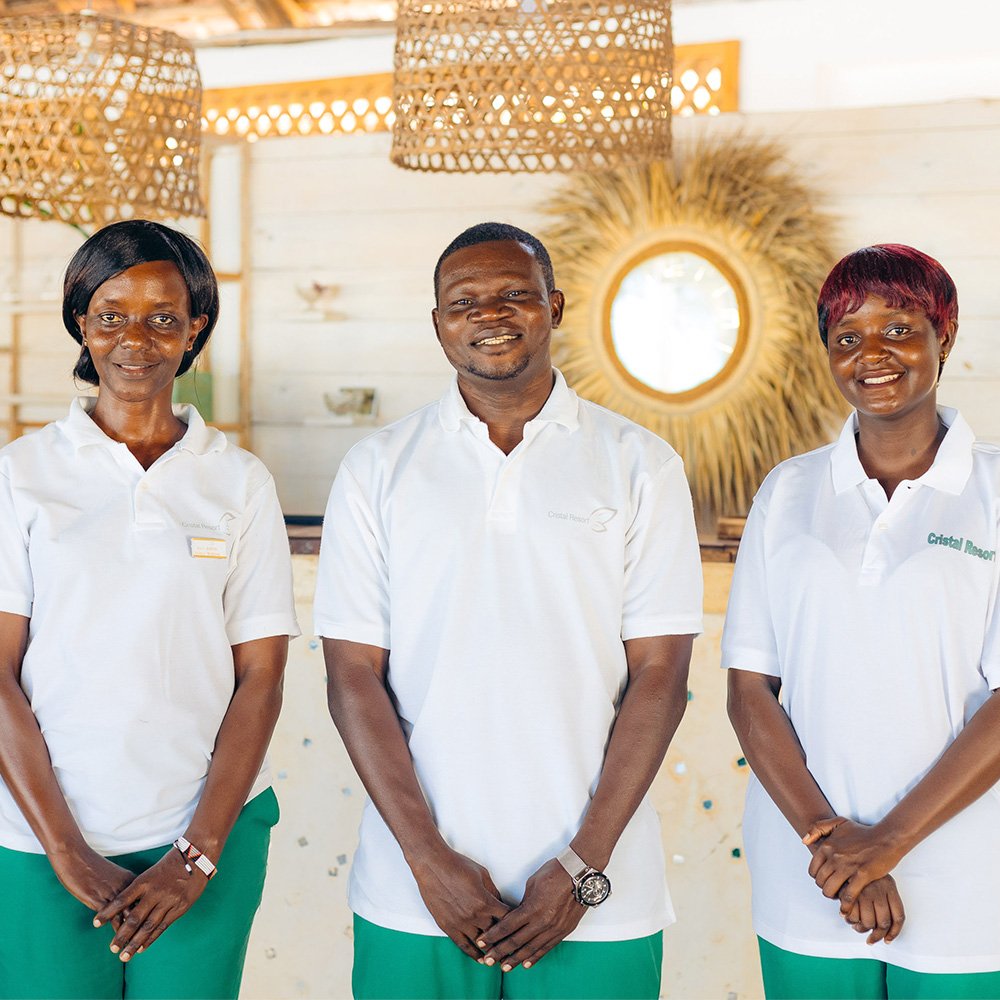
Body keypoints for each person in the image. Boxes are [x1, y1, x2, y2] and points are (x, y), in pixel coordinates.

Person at [315, 222, 703, 999]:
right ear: (437, 325)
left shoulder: (640, 466)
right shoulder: (377, 469)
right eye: (464, 302)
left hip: (600, 897)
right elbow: (353, 677)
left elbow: (660, 679)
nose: (490, 314)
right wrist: (426, 858)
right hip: (415, 893)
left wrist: (582, 865)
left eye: (515, 295)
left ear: (554, 307)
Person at [0, 220, 300, 1000]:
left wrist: (196, 855)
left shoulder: (239, 483)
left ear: (195, 326)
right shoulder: (20, 476)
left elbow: (261, 681)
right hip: (36, 846)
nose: (136, 338)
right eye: (111, 314)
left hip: (208, 843)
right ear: (80, 323)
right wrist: (64, 850)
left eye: (164, 316)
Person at [723, 244, 1000, 999]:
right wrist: (834, 844)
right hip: (809, 874)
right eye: (847, 337)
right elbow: (750, 689)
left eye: (899, 328)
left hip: (969, 885)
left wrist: (885, 845)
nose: (870, 355)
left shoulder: (995, 489)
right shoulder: (790, 490)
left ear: (945, 336)